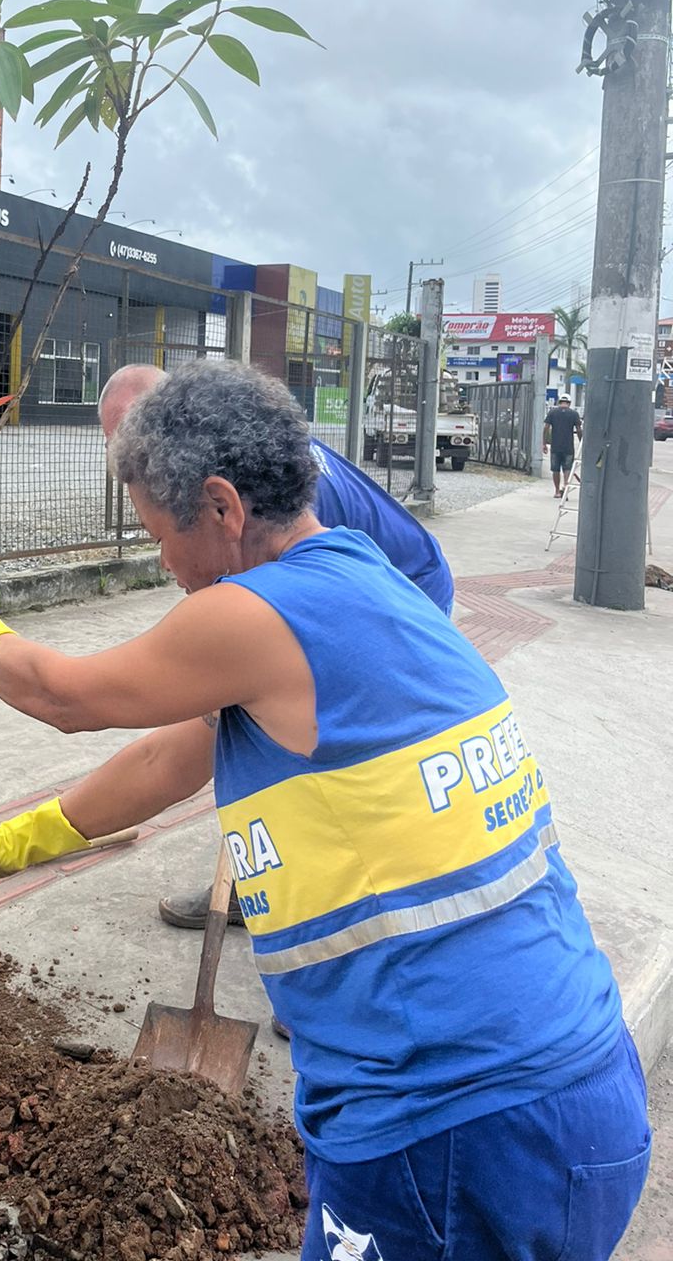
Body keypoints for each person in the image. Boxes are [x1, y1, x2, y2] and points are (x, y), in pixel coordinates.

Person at [0, 360, 649, 1261]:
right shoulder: (360, 581)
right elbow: (166, 757)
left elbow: (68, 697)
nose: (162, 562)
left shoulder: (253, 617)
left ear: (222, 508)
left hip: (451, 1117)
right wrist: (27, 839)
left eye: (158, 534)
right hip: (578, 1089)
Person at [100, 363, 454, 932]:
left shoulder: (291, 511)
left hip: (410, 583)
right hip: (370, 581)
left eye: (137, 442)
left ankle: (339, 922)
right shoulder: (242, 457)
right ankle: (266, 882)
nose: (132, 466)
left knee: (318, 752)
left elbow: (273, 634)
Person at [543, 394, 582, 498]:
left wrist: (544, 443)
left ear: (559, 402)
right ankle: (565, 487)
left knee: (555, 469)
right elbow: (578, 429)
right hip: (568, 446)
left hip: (555, 446)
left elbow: (546, 428)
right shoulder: (574, 414)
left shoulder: (552, 412)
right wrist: (581, 442)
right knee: (567, 468)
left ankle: (556, 491)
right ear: (569, 403)